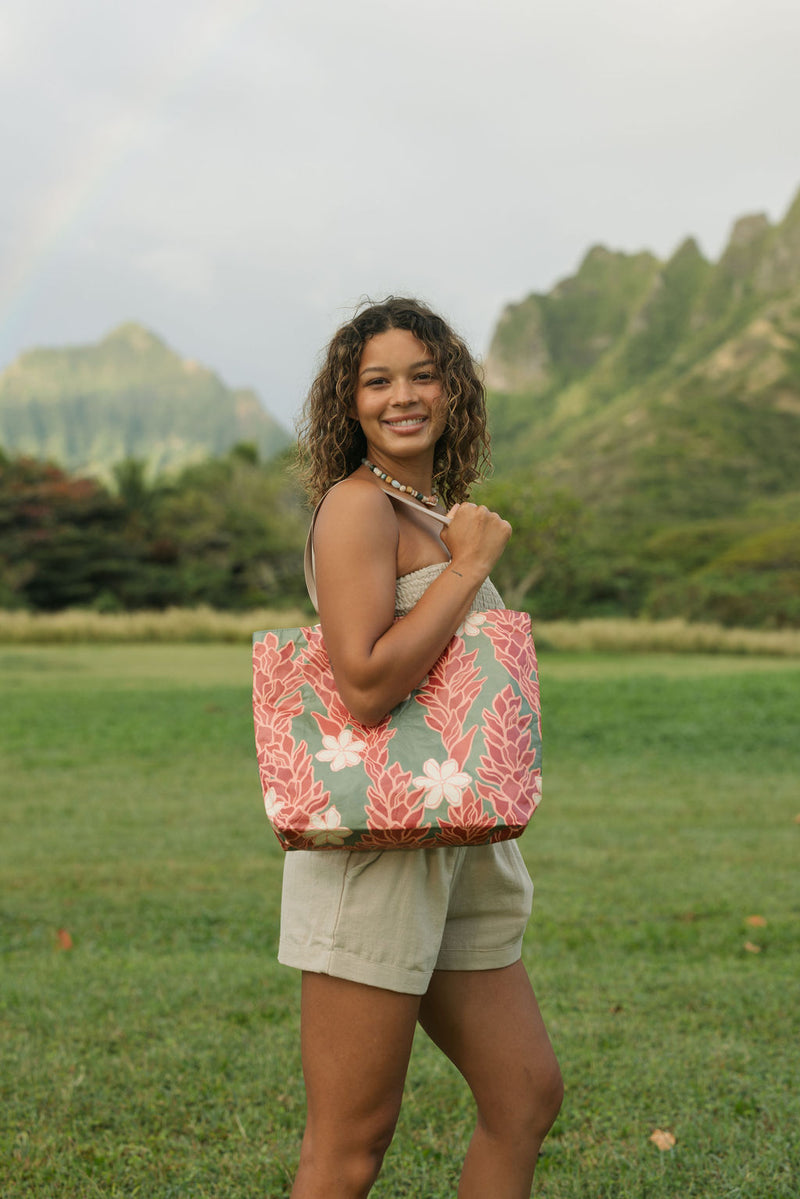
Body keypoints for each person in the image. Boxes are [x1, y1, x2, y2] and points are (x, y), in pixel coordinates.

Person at [282, 297, 562, 1198]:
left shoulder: (433, 508)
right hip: (379, 850)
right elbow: (364, 683)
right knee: (352, 1141)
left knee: (523, 1095)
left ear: (453, 388)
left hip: (462, 842)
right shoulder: (358, 509)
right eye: (377, 380)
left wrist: (460, 546)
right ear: (349, 402)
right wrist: (470, 568)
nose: (402, 395)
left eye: (422, 374)